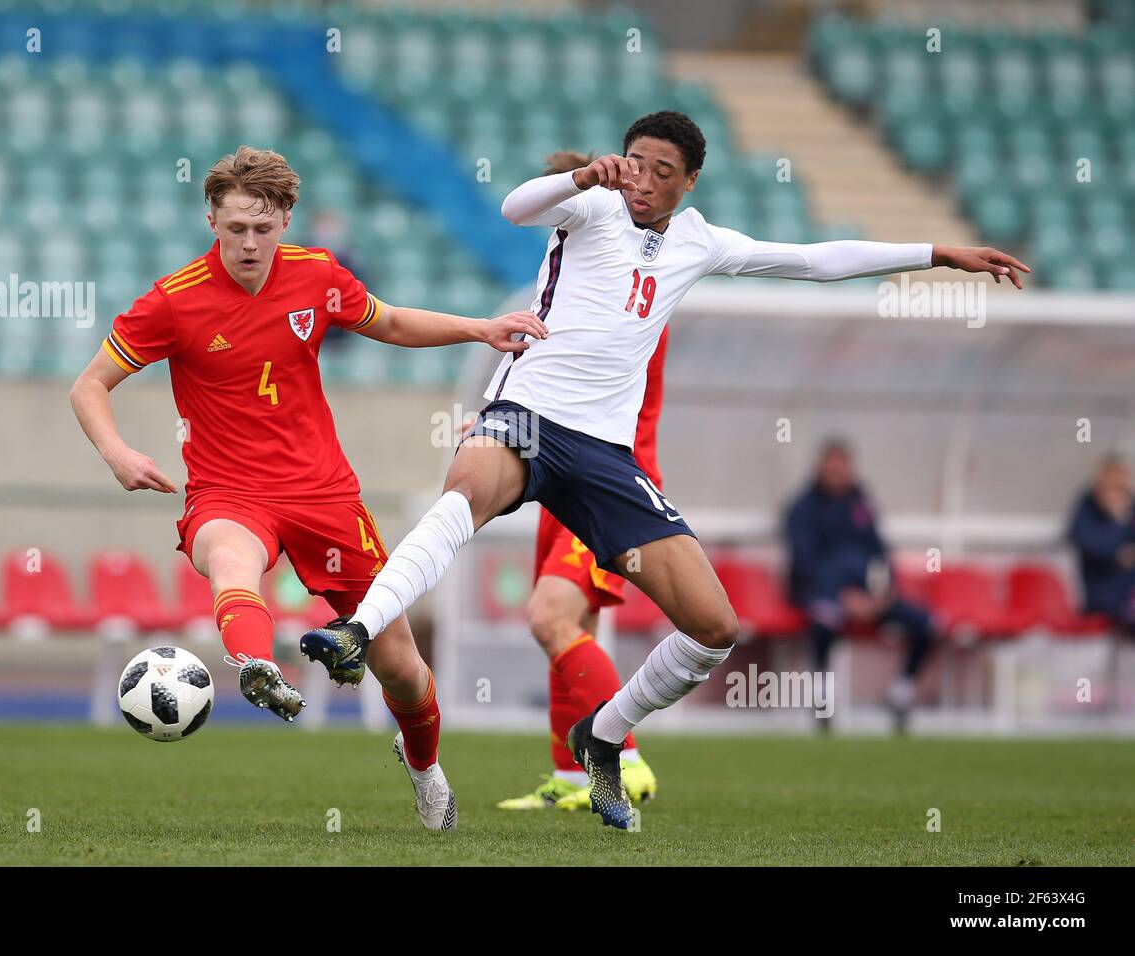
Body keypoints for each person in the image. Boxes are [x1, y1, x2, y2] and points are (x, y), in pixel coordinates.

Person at [298, 110, 1030, 828]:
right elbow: (514, 205)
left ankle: (604, 737)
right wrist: (583, 175)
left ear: (689, 183)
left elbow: (814, 261)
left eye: (663, 172)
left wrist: (936, 253)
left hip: (606, 456)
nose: (643, 181)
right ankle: (359, 631)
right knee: (465, 494)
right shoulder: (589, 205)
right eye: (635, 162)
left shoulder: (700, 242)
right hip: (526, 413)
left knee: (714, 627)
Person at [69, 146, 545, 831]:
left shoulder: (318, 275)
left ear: (287, 221)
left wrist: (479, 328)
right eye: (234, 229)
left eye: (262, 229)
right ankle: (259, 666)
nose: (249, 244)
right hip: (227, 490)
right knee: (232, 562)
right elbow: (89, 385)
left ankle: (424, 767)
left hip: (323, 494)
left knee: (403, 669)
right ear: (211, 219)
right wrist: (116, 453)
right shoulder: (172, 301)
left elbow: (388, 322)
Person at [497, 150, 663, 812]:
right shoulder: (576, 282)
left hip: (603, 478)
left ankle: (628, 759)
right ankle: (571, 776)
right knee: (569, 627)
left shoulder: (628, 290)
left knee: (551, 617)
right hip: (562, 476)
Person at [784, 438, 936, 732]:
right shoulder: (803, 506)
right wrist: (843, 597)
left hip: (868, 596)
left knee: (927, 623)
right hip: (823, 593)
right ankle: (823, 696)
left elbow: (879, 552)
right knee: (825, 619)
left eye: (843, 464)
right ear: (820, 465)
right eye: (832, 463)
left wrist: (881, 592)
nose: (837, 470)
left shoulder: (861, 503)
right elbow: (804, 562)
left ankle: (900, 694)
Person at [1068, 453, 1135, 635]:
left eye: (1120, 476)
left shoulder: (1130, 506)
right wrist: (1117, 521)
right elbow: (1092, 545)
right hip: (1102, 595)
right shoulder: (1087, 506)